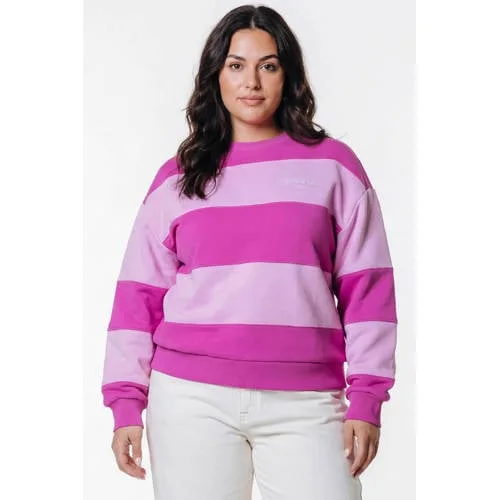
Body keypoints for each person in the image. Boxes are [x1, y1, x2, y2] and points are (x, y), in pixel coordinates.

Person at [100, 4, 398, 499]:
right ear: (216, 75)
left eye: (268, 65)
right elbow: (138, 294)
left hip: (306, 400)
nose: (251, 82)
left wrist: (367, 396)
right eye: (236, 65)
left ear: (288, 75)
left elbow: (368, 291)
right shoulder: (178, 177)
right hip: (190, 398)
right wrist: (125, 401)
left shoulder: (334, 168)